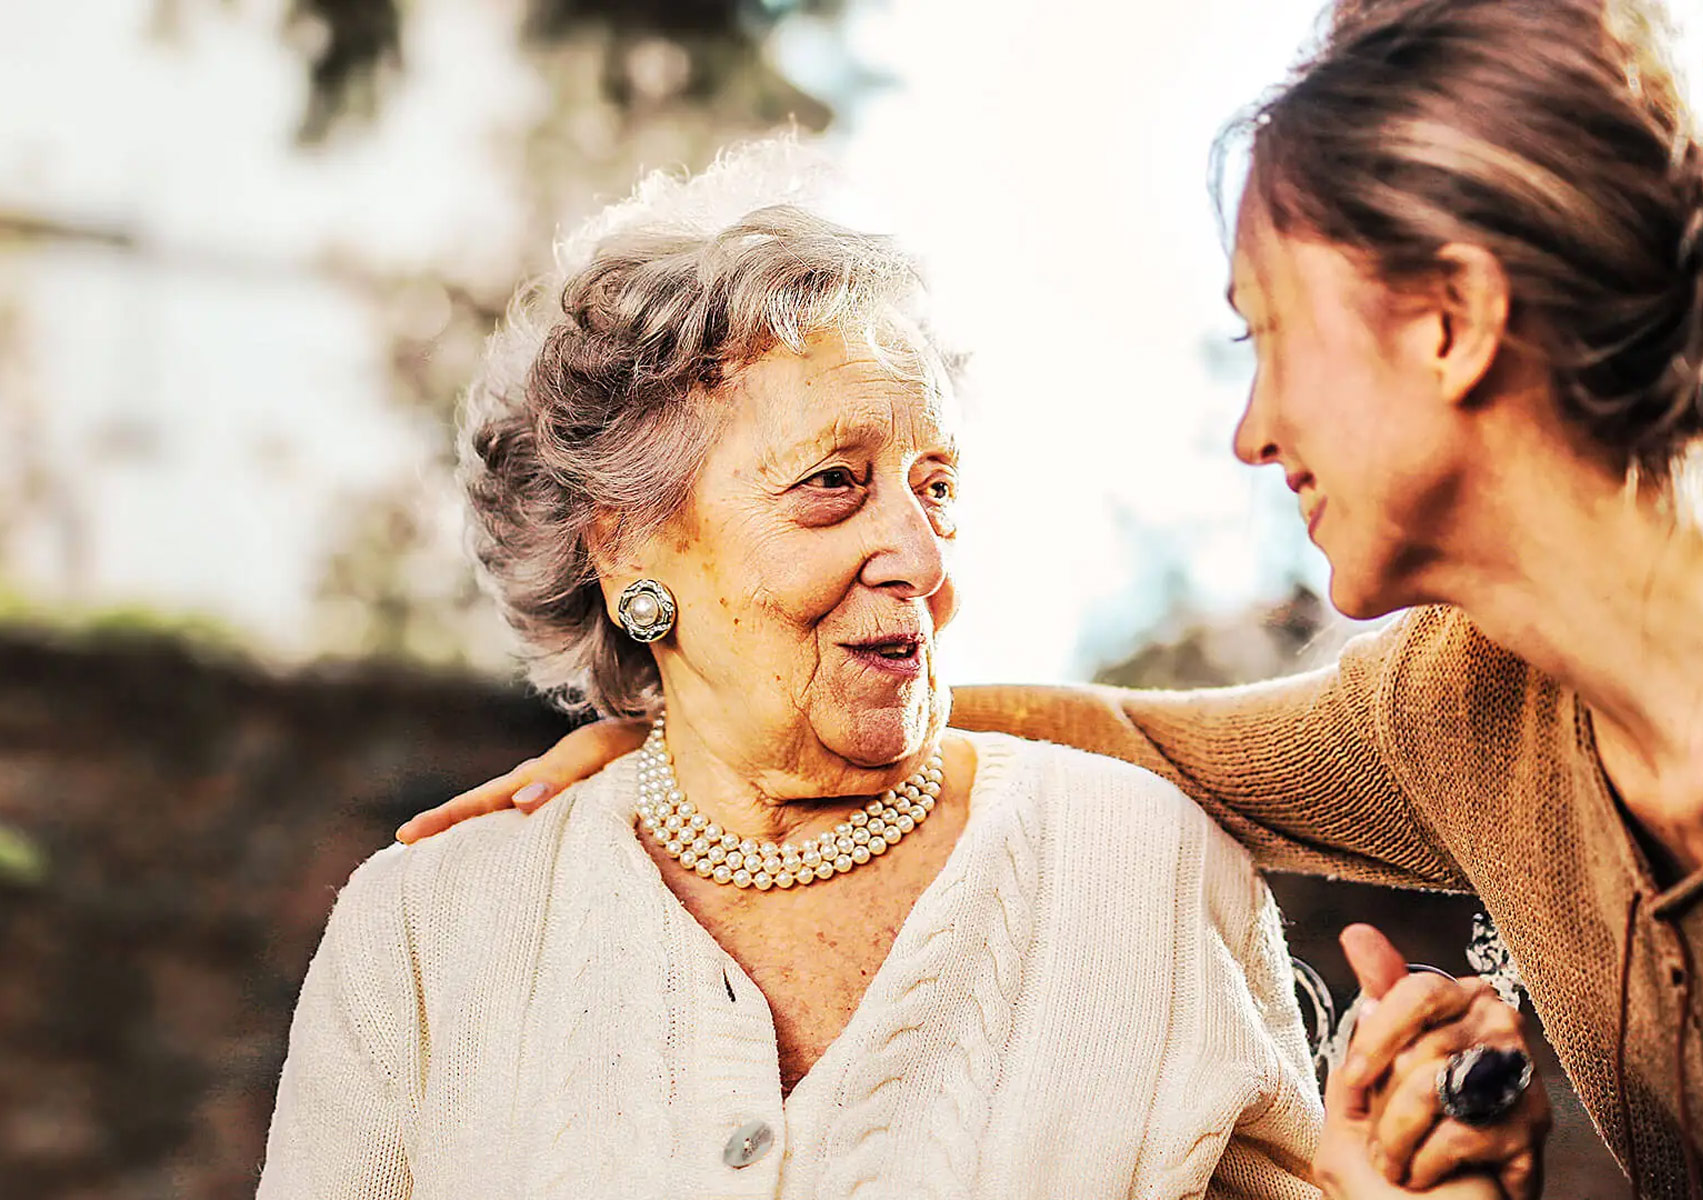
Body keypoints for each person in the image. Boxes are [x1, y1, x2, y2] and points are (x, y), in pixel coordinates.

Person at [401, 2, 1703, 1198]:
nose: (1252, 430)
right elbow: (1149, 742)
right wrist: (710, 733)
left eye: (1270, 336)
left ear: (1452, 320)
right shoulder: (1466, 703)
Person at [257, 146, 1447, 1199]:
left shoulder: (1148, 873)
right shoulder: (424, 935)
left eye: (936, 488)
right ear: (624, 552)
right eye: (835, 483)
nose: (922, 558)